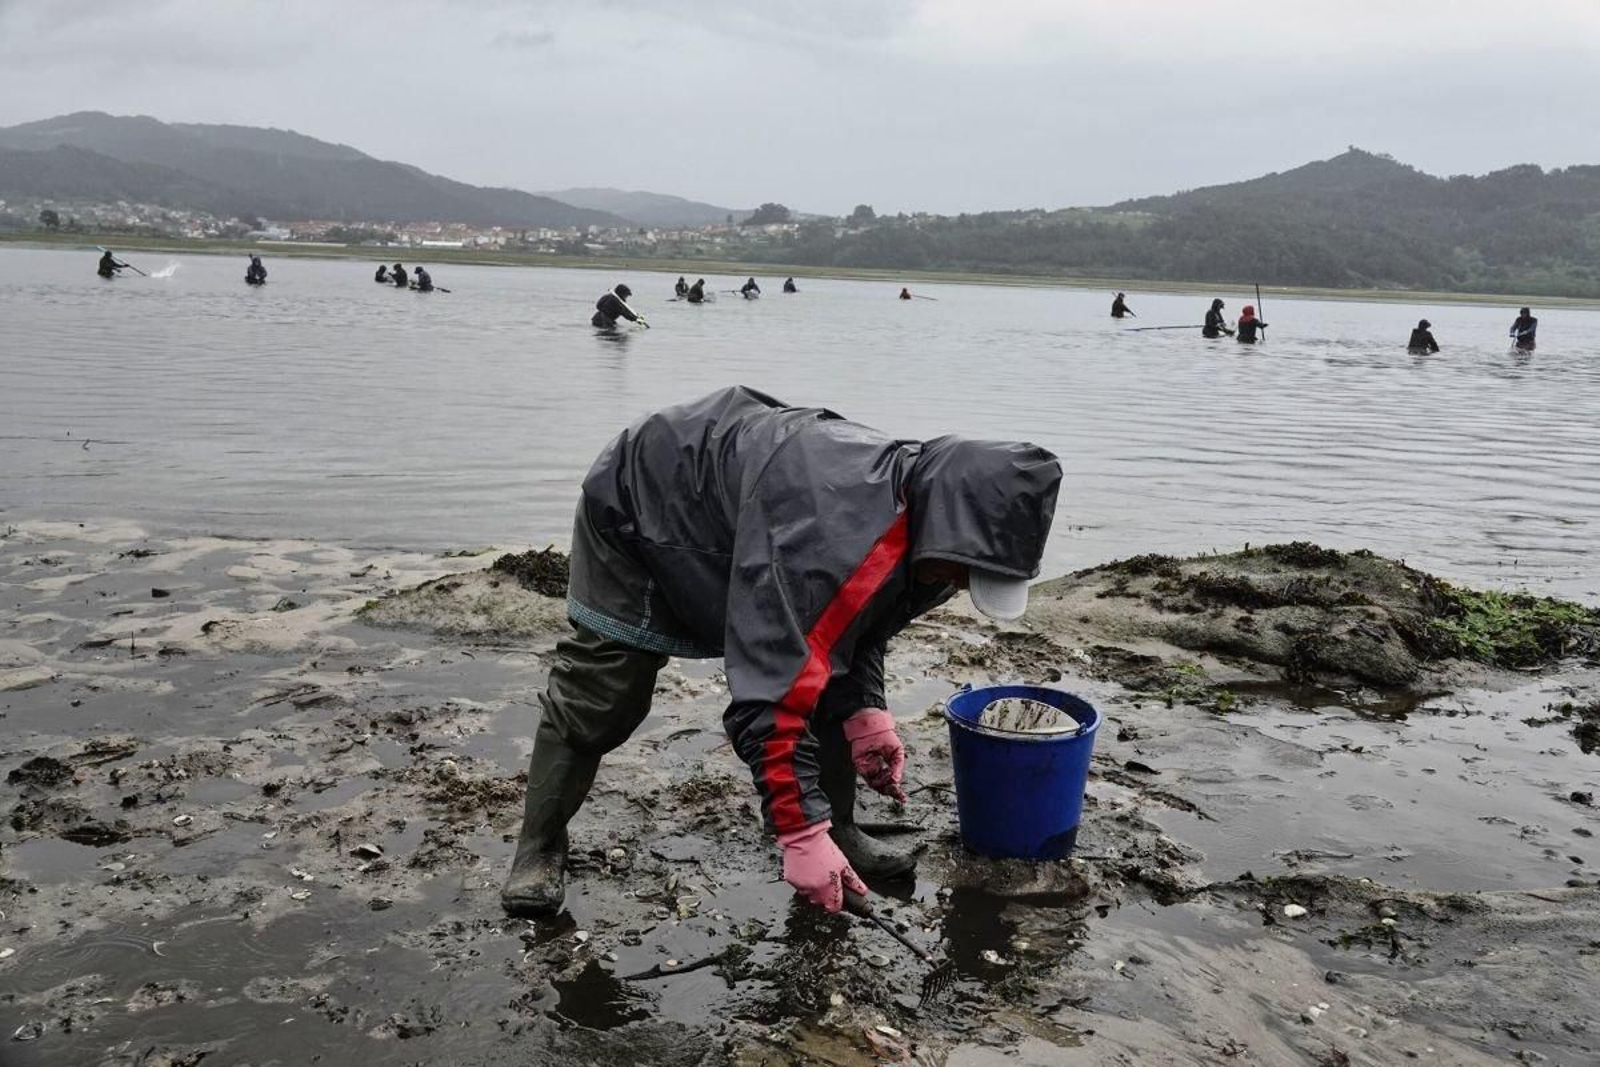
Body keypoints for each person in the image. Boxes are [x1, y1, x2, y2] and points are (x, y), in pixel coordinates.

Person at [500, 387, 1062, 918]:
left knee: (821, 683)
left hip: (750, 516)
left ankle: (840, 827)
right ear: (948, 526)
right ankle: (539, 845)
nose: (963, 587)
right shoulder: (833, 535)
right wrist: (797, 835)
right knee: (604, 693)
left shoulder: (943, 543)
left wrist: (867, 714)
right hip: (650, 501)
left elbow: (853, 628)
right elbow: (770, 691)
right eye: (967, 575)